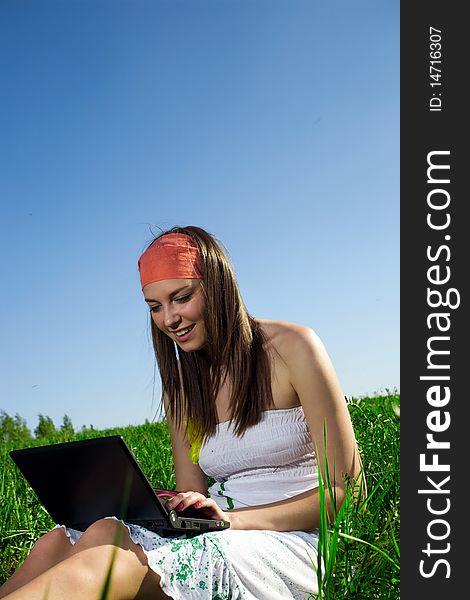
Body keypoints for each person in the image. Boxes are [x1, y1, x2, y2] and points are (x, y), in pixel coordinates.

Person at [0, 225, 364, 600]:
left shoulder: (293, 347)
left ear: (218, 285)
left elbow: (346, 491)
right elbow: (192, 493)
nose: (169, 319)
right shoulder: (182, 386)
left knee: (114, 564)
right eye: (155, 307)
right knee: (76, 537)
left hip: (296, 543)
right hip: (220, 530)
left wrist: (231, 521)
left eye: (182, 297)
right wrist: (166, 506)